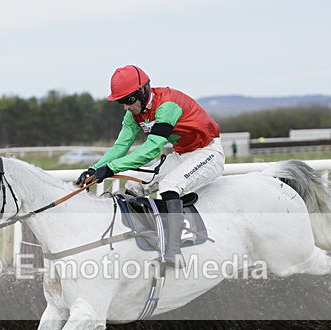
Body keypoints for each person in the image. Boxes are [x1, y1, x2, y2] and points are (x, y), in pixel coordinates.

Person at [76, 65, 225, 268]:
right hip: (182, 154)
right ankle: (146, 238)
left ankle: (174, 252)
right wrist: (95, 168)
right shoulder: (133, 114)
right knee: (134, 187)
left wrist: (111, 168)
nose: (126, 107)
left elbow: (152, 149)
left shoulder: (167, 105)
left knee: (169, 187)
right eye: (121, 102)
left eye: (128, 100)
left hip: (208, 152)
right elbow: (121, 145)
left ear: (143, 91)